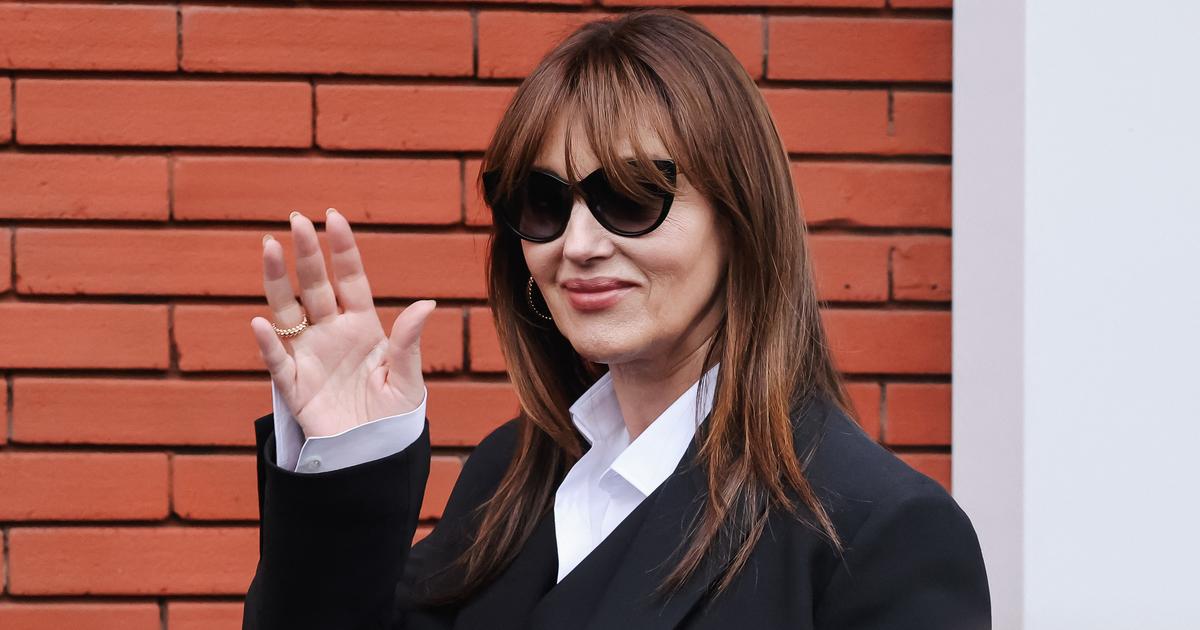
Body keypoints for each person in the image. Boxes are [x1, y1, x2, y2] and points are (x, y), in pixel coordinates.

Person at [241, 8, 990, 630]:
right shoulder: (510, 478)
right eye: (544, 202)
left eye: (631, 196)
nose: (578, 245)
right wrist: (351, 460)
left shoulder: (874, 534)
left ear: (740, 219)